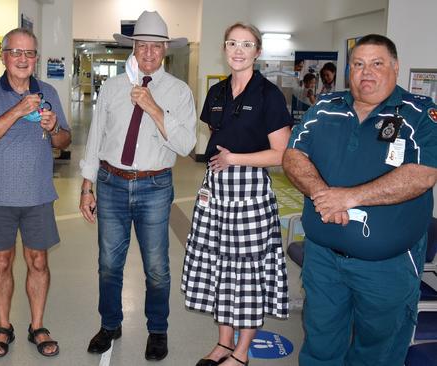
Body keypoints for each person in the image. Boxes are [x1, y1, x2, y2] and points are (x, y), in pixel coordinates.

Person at [282, 34, 437, 365]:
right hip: (323, 259)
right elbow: (293, 155)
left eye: (377, 63)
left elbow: (422, 175)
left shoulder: (420, 114)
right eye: (358, 64)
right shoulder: (325, 107)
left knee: (378, 351)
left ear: (395, 67)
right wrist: (322, 195)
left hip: (387, 267)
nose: (366, 72)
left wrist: (348, 198)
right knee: (320, 342)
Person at [79, 10, 197, 361]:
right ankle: (110, 323)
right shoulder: (113, 88)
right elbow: (95, 138)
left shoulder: (179, 92)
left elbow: (186, 145)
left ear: (165, 51)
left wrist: (154, 108)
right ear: (133, 47)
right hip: (111, 183)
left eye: (155, 47)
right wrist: (87, 186)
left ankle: (157, 330)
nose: (148, 53)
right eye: (142, 45)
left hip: (154, 186)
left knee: (157, 266)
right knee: (109, 264)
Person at [181, 22, 291, 366]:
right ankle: (224, 342)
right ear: (224, 48)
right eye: (232, 43)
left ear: (257, 52)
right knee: (218, 265)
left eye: (246, 45)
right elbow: (218, 135)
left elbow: (282, 154)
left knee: (246, 271)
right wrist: (223, 162)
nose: (238, 50)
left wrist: (235, 159)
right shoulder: (217, 93)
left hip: (250, 190)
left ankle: (241, 353)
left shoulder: (268, 95)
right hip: (216, 188)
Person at [0, 27, 71, 358]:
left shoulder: (49, 91)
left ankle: (37, 325)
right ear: (4, 56)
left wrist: (53, 127)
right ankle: (3, 325)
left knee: (38, 262)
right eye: (16, 52)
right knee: (1, 262)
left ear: (36, 59)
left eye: (29, 54)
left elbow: (64, 141)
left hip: (38, 194)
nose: (22, 59)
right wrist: (16, 110)